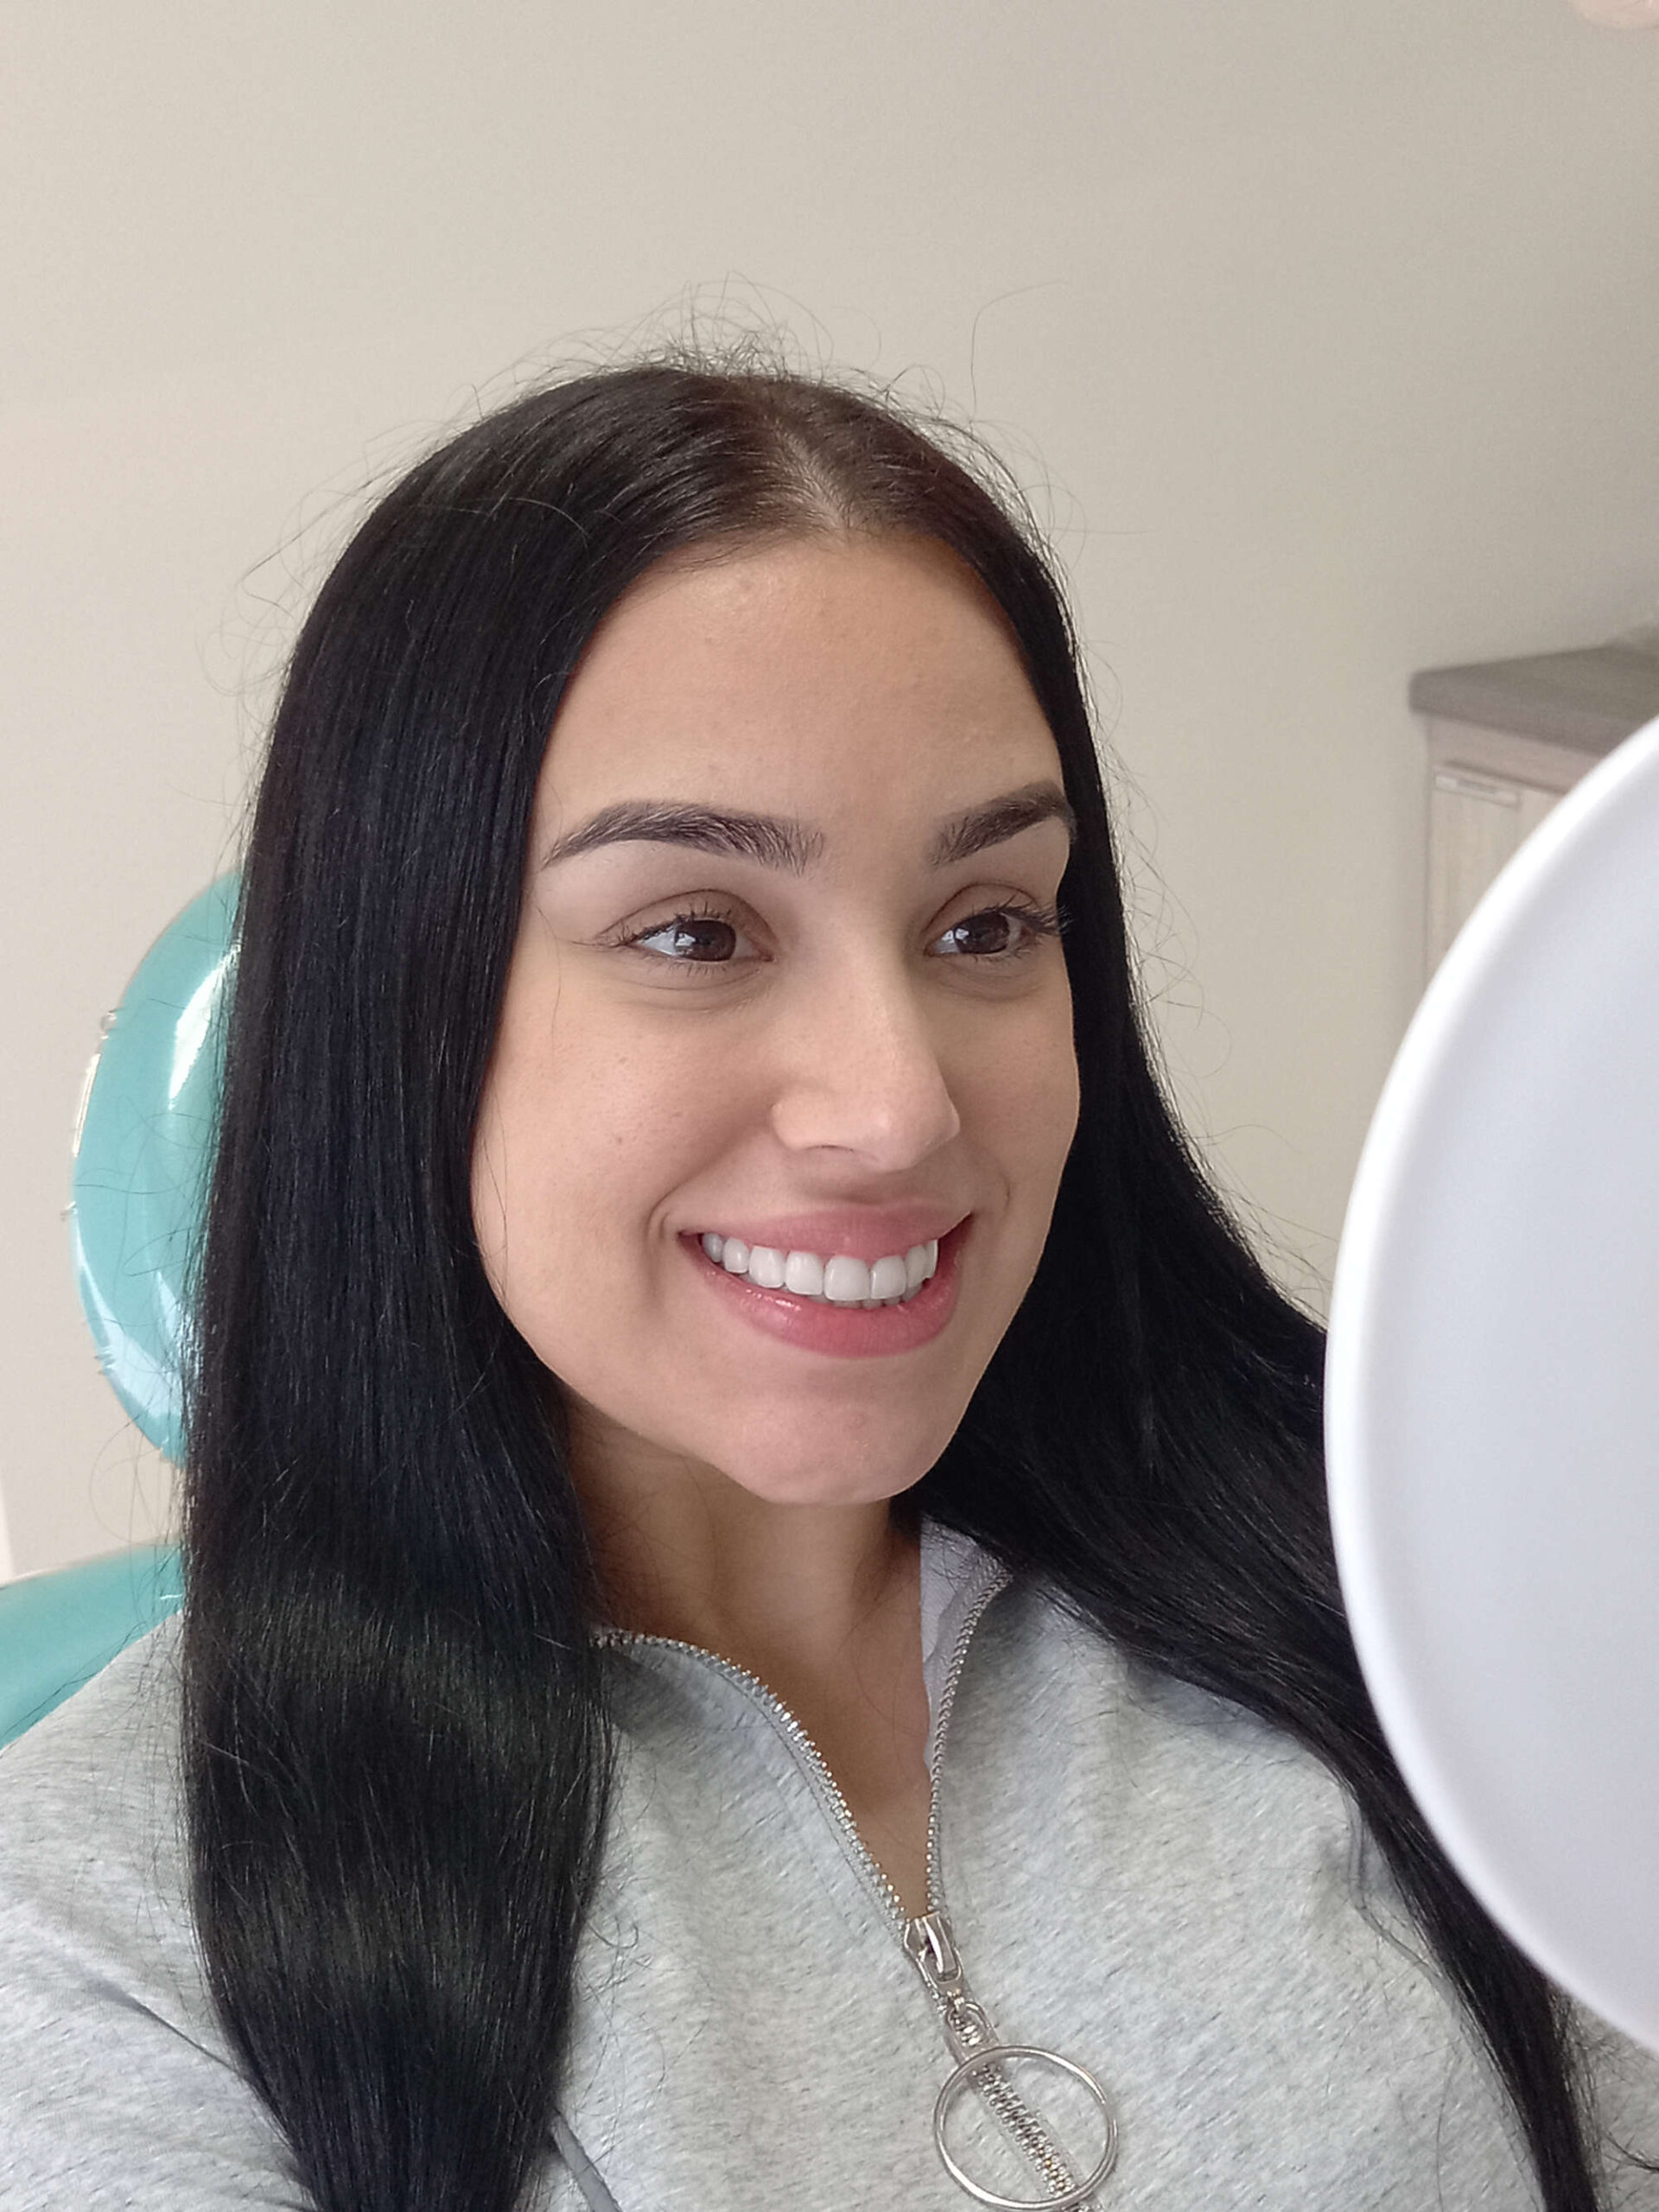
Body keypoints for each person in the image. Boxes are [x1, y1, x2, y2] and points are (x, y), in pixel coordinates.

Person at [2, 354, 1656, 2212]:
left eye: (986, 922)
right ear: (401, 1013)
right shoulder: (105, 1956)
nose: (897, 1105)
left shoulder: (1401, 1595)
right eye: (695, 931)